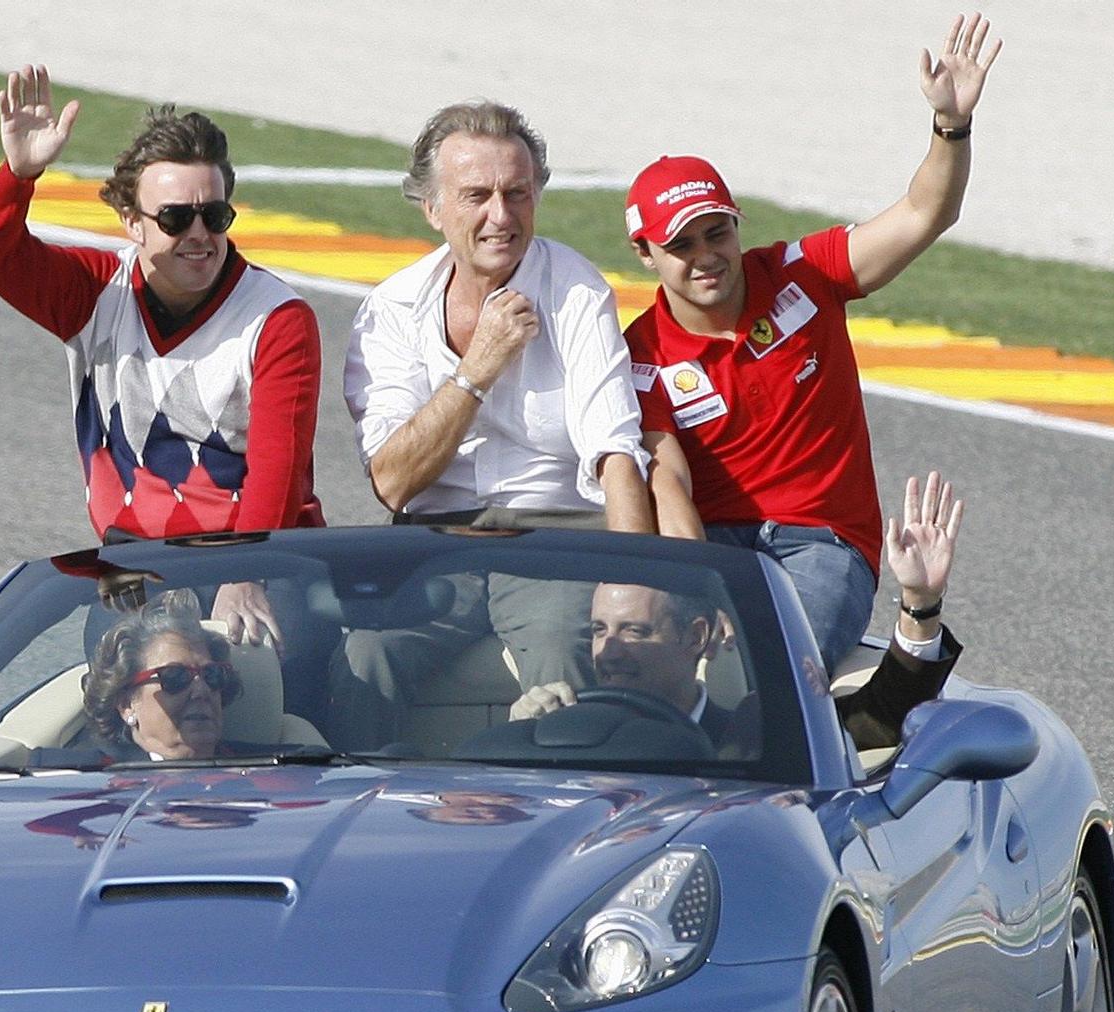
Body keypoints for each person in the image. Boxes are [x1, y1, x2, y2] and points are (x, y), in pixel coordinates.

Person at [620, 14, 1002, 667]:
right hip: (711, 542)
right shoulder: (642, 355)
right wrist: (696, 588)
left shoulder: (805, 272)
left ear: (737, 226)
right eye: (681, 244)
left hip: (822, 543)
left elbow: (924, 213)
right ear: (646, 254)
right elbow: (669, 487)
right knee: (649, 664)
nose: (706, 257)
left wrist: (951, 127)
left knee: (779, 671)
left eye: (717, 233)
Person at [330, 100, 655, 747]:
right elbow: (392, 481)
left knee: (566, 657)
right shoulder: (392, 308)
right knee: (364, 655)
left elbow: (617, 452)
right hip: (433, 544)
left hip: (554, 540)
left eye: (518, 194)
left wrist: (641, 582)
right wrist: (478, 368)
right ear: (433, 208)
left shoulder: (575, 290)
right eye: (477, 195)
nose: (500, 216)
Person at [0, 64, 322, 646]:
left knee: (270, 680)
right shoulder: (93, 291)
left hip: (261, 559)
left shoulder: (278, 319)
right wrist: (18, 174)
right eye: (177, 219)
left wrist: (244, 574)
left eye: (216, 216)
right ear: (132, 221)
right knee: (112, 703)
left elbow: (276, 471)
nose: (200, 234)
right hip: (134, 567)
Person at [511, 474, 966, 753]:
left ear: (694, 637)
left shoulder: (757, 732)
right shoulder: (559, 727)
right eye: (598, 631)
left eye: (634, 631)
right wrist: (520, 737)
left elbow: (885, 714)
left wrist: (920, 602)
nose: (608, 652)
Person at [80, 595, 243, 761]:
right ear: (126, 704)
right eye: (175, 676)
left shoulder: (264, 770)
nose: (201, 690)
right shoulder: (91, 776)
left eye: (211, 675)